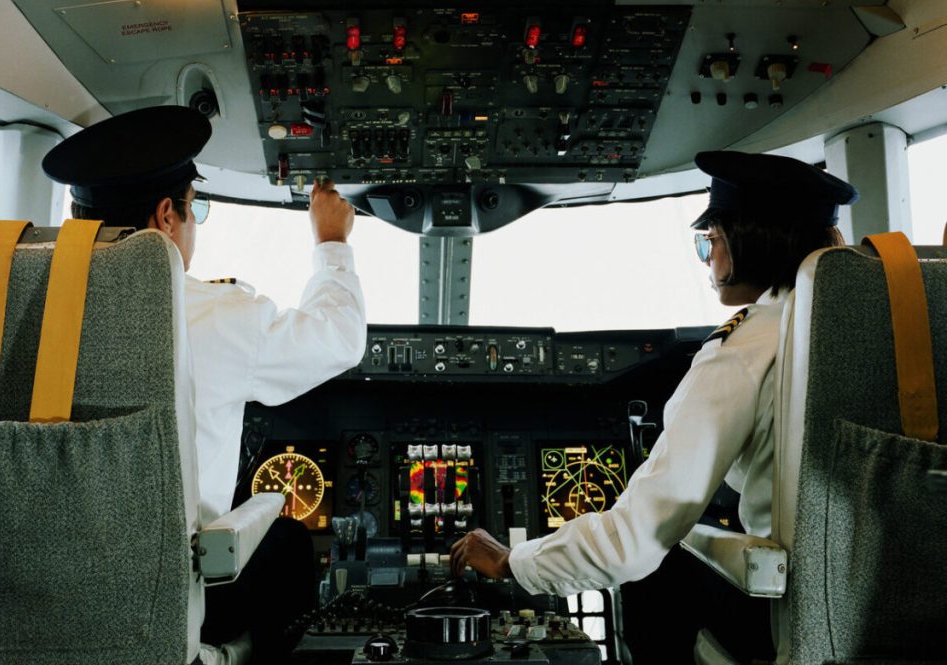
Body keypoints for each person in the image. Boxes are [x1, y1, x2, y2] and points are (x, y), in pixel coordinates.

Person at [449, 150, 858, 662]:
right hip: (883, 610)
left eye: (709, 240)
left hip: (801, 618)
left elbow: (635, 538)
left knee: (661, 563)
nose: (708, 258)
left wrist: (514, 561)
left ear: (745, 240)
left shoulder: (745, 351)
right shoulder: (867, 330)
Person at [42, 105, 367, 663]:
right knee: (285, 541)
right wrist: (331, 241)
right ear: (167, 216)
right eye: (196, 209)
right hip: (166, 600)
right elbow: (339, 338)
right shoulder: (218, 316)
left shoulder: (28, 310)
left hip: (41, 588)